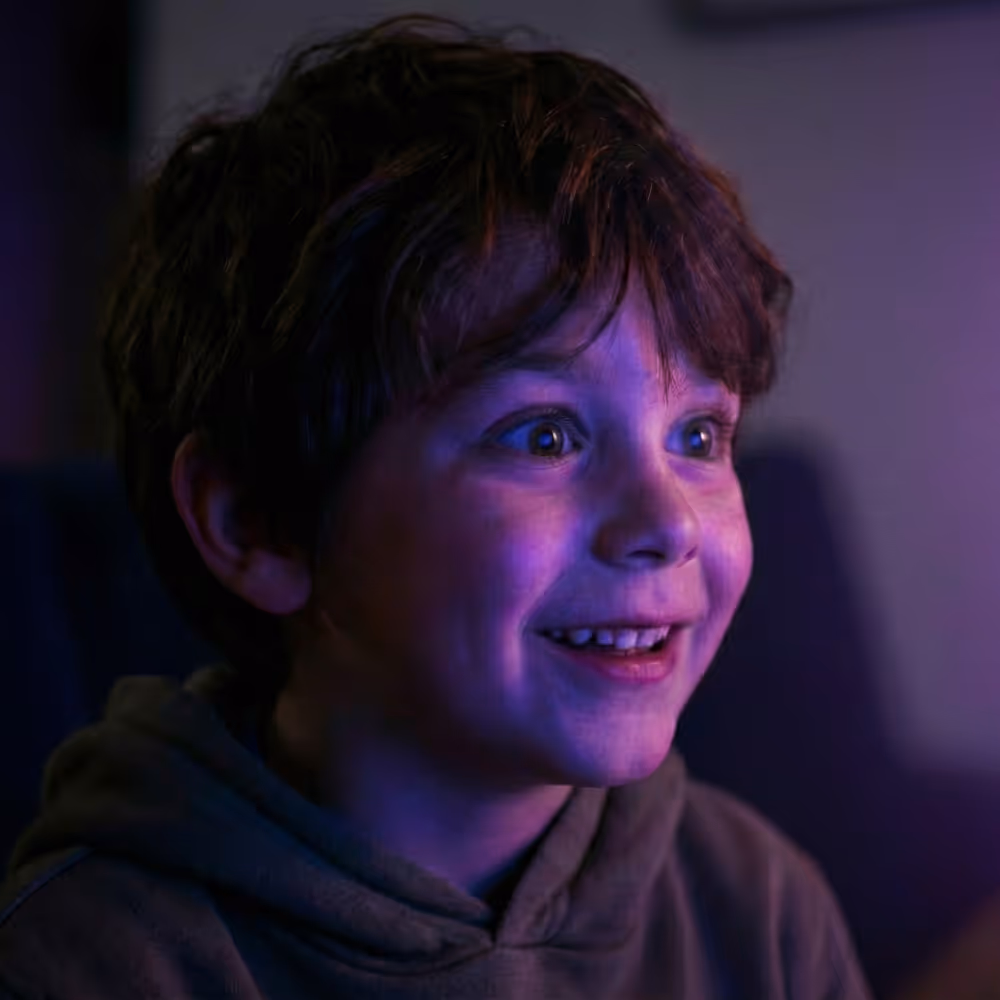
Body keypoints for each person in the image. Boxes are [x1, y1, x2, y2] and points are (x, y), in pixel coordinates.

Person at [0, 13, 872, 998]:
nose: (668, 523)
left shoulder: (758, 906)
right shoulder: (89, 963)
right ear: (258, 522)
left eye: (699, 436)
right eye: (546, 435)